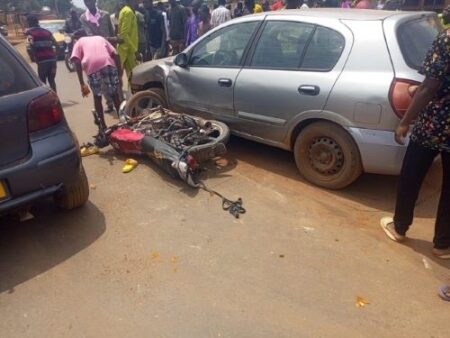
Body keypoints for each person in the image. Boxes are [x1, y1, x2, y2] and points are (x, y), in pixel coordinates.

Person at [380, 23, 450, 259]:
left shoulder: (447, 39)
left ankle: (400, 228)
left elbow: (430, 86)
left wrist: (406, 121)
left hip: (434, 124)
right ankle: (442, 245)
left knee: (412, 175)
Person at [71, 29, 122, 130]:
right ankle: (123, 121)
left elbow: (77, 62)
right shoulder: (100, 38)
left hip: (92, 67)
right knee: (114, 94)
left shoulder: (79, 41)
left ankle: (103, 125)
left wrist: (82, 84)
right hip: (108, 63)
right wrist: (119, 73)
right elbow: (116, 55)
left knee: (97, 96)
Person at [25, 15, 57, 92]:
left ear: (29, 22)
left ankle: (47, 101)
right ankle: (56, 98)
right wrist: (54, 56)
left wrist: (34, 56)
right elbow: (55, 43)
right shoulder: (47, 32)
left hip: (42, 61)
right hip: (52, 60)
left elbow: (31, 44)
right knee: (52, 80)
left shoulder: (30, 32)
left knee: (42, 82)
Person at [118, 0, 139, 79]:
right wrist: (135, 50)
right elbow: (124, 34)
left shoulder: (124, 10)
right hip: (128, 50)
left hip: (127, 49)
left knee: (130, 76)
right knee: (135, 76)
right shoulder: (128, 12)